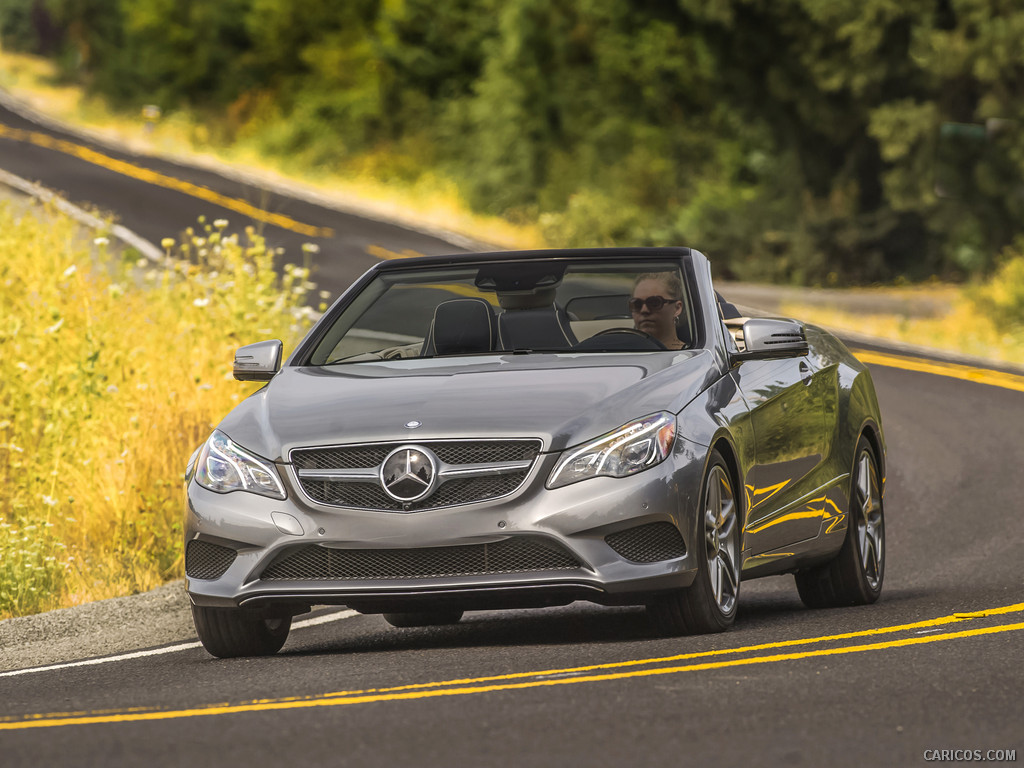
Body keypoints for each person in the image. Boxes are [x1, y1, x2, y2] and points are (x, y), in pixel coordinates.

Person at [630, 272, 685, 349]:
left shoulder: (693, 357)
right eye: (637, 304)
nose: (644, 310)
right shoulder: (623, 356)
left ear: (677, 308)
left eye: (654, 303)